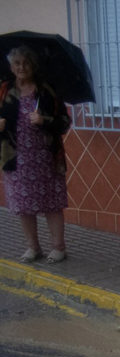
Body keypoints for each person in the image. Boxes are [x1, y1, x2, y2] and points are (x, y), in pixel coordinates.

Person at [0, 45, 72, 263]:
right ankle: (33, 248)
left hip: (45, 158)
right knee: (22, 204)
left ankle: (58, 247)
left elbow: (65, 122)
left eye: (26, 63)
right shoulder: (4, 91)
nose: (22, 67)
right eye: (17, 63)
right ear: (11, 67)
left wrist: (44, 120)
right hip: (15, 158)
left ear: (33, 65)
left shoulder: (46, 91)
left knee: (51, 202)